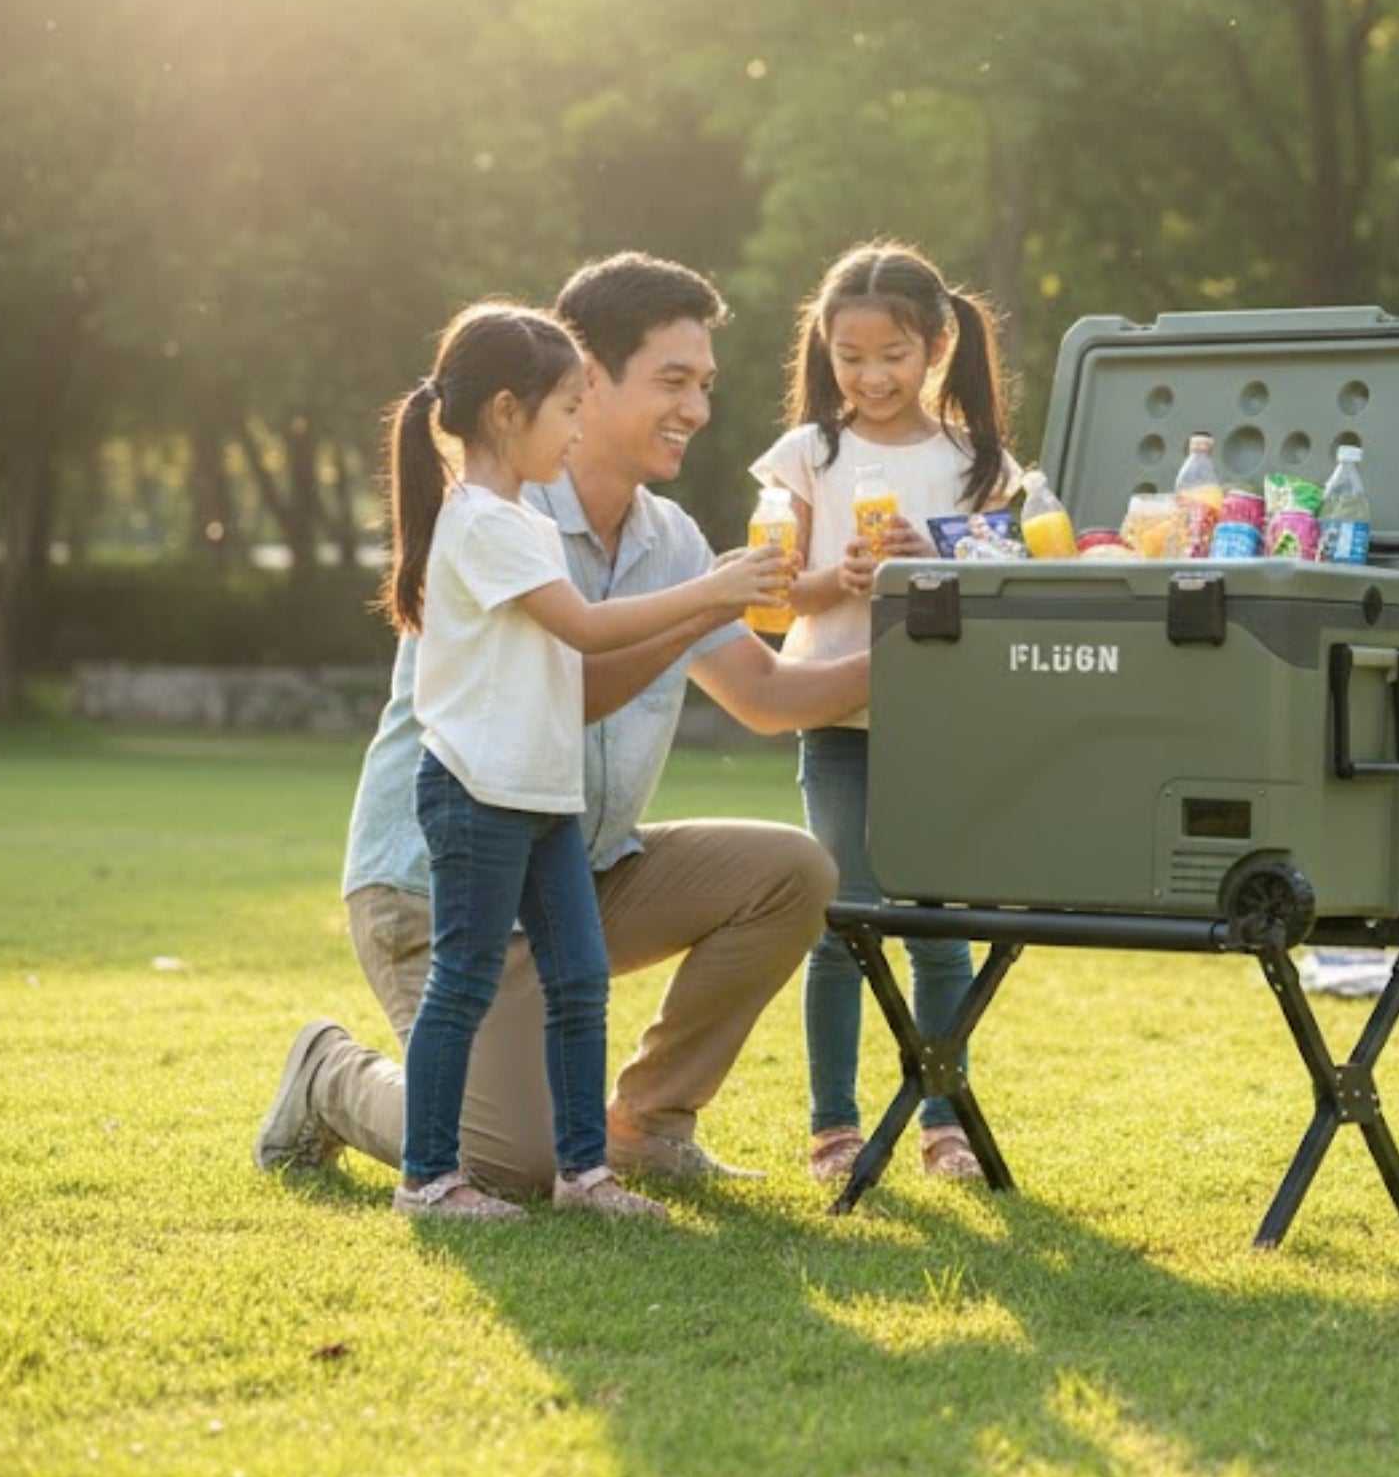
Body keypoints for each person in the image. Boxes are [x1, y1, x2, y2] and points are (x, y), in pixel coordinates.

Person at [256, 255, 869, 1206]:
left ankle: (647, 1127)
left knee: (791, 872)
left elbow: (766, 696)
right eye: (673, 381)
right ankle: (330, 1076)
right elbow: (565, 688)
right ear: (585, 374)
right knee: (508, 1165)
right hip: (440, 886)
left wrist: (916, 651)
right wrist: (701, 604)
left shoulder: (669, 537)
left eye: (705, 385)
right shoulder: (498, 517)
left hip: (576, 870)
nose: (697, 410)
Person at [378, 302, 789, 1221]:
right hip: (477, 793)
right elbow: (586, 629)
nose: (577, 426)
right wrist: (713, 591)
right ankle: (429, 1182)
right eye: (567, 407)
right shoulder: (480, 522)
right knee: (465, 982)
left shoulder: (516, 519)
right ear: (504, 412)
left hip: (539, 792)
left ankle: (583, 1174)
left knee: (580, 978)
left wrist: (718, 592)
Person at [751, 241, 1020, 1184]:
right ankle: (835, 1125)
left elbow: (1009, 587)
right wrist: (844, 574)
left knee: (939, 930)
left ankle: (945, 1122)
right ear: (824, 349)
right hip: (836, 721)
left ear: (937, 345)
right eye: (849, 356)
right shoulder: (808, 455)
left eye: (893, 356)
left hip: (943, 727)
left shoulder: (975, 462)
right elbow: (772, 595)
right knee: (840, 920)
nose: (870, 376)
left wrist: (933, 564)